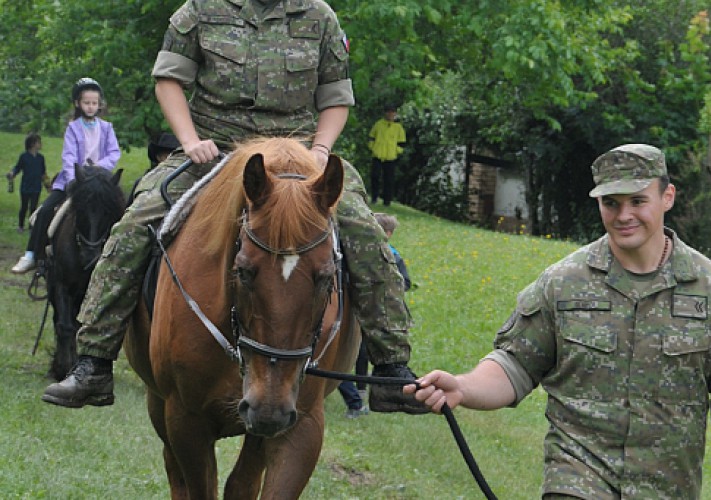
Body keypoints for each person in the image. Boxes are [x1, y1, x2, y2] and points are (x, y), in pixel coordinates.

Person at [42, 0, 427, 415]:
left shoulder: (319, 16)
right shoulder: (200, 10)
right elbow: (169, 79)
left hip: (294, 155)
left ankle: (390, 368)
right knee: (135, 222)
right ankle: (93, 361)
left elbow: (335, 96)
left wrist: (320, 148)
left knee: (365, 231)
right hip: (214, 150)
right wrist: (189, 140)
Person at [405, 144, 711, 499]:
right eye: (611, 203)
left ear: (667, 196)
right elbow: (515, 364)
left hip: (668, 486)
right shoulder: (562, 283)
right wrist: (463, 388)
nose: (623, 215)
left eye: (637, 201)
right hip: (577, 477)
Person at [11, 78, 120, 274]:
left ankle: (119, 257)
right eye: (86, 102)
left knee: (118, 209)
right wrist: (73, 180)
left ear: (99, 104)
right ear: (78, 103)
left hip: (98, 181)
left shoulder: (107, 128)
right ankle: (31, 254)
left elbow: (114, 154)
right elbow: (69, 156)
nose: (90, 106)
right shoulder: (73, 128)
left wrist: (97, 168)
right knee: (45, 211)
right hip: (75, 180)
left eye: (94, 103)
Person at [337, 212, 413, 417]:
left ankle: (363, 389)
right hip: (355, 307)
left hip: (377, 311)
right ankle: (359, 392)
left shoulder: (392, 255)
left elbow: (404, 282)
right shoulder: (358, 250)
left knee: (359, 350)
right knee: (352, 351)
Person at [7, 133, 47, 234]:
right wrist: (12, 173)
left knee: (33, 207)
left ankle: (31, 227)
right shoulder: (24, 157)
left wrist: (47, 184)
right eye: (39, 142)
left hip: (36, 187)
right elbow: (17, 168)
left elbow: (43, 172)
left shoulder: (41, 158)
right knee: (24, 207)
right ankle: (20, 226)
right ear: (33, 144)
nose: (41, 144)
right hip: (25, 186)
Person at [368, 104, 406, 206]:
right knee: (375, 177)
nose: (390, 114)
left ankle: (387, 201)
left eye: (392, 112)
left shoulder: (398, 127)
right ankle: (374, 197)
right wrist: (373, 148)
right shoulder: (378, 124)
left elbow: (402, 143)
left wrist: (396, 151)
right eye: (388, 112)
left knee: (388, 179)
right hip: (377, 155)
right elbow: (371, 137)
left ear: (395, 114)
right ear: (385, 113)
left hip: (391, 157)